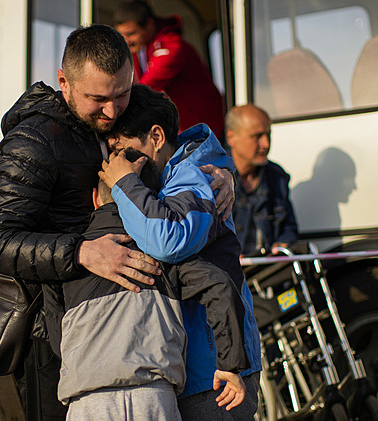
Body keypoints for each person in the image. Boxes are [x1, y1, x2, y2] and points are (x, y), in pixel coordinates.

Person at [0, 24, 235, 421]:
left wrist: (217, 172)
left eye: (122, 94)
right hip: (51, 339)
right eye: (98, 98)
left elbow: (166, 145)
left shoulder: (104, 126)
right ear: (64, 82)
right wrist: (82, 252)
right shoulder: (30, 143)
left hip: (126, 338)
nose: (113, 110)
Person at [102, 84, 262, 420]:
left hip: (214, 373)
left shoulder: (194, 179)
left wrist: (124, 183)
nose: (118, 161)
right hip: (210, 366)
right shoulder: (184, 175)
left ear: (157, 138)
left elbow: (168, 240)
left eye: (124, 149)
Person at [58, 150, 245, 420]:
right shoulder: (159, 253)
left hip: (85, 398)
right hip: (151, 393)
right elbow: (220, 286)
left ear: (95, 199)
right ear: (151, 199)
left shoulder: (77, 255)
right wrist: (230, 364)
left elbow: (54, 322)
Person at [113, 0, 225, 136]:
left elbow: (146, 87)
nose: (126, 40)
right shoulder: (141, 49)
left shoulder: (172, 47)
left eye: (131, 33)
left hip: (202, 128)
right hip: (184, 128)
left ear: (149, 25)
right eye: (121, 35)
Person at [225, 104, 299, 255]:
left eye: (268, 135)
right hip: (223, 275)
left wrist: (282, 245)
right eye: (257, 136)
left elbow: (288, 230)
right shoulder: (210, 176)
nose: (266, 144)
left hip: (265, 274)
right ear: (231, 137)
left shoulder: (276, 177)